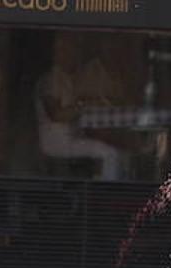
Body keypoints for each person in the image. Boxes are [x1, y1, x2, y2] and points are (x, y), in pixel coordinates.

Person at [34, 33, 122, 181]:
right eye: (65, 50)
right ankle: (107, 195)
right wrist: (84, 105)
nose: (71, 54)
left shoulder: (66, 78)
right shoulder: (50, 80)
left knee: (115, 142)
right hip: (56, 143)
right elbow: (56, 114)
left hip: (74, 136)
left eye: (72, 49)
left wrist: (94, 102)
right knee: (110, 152)